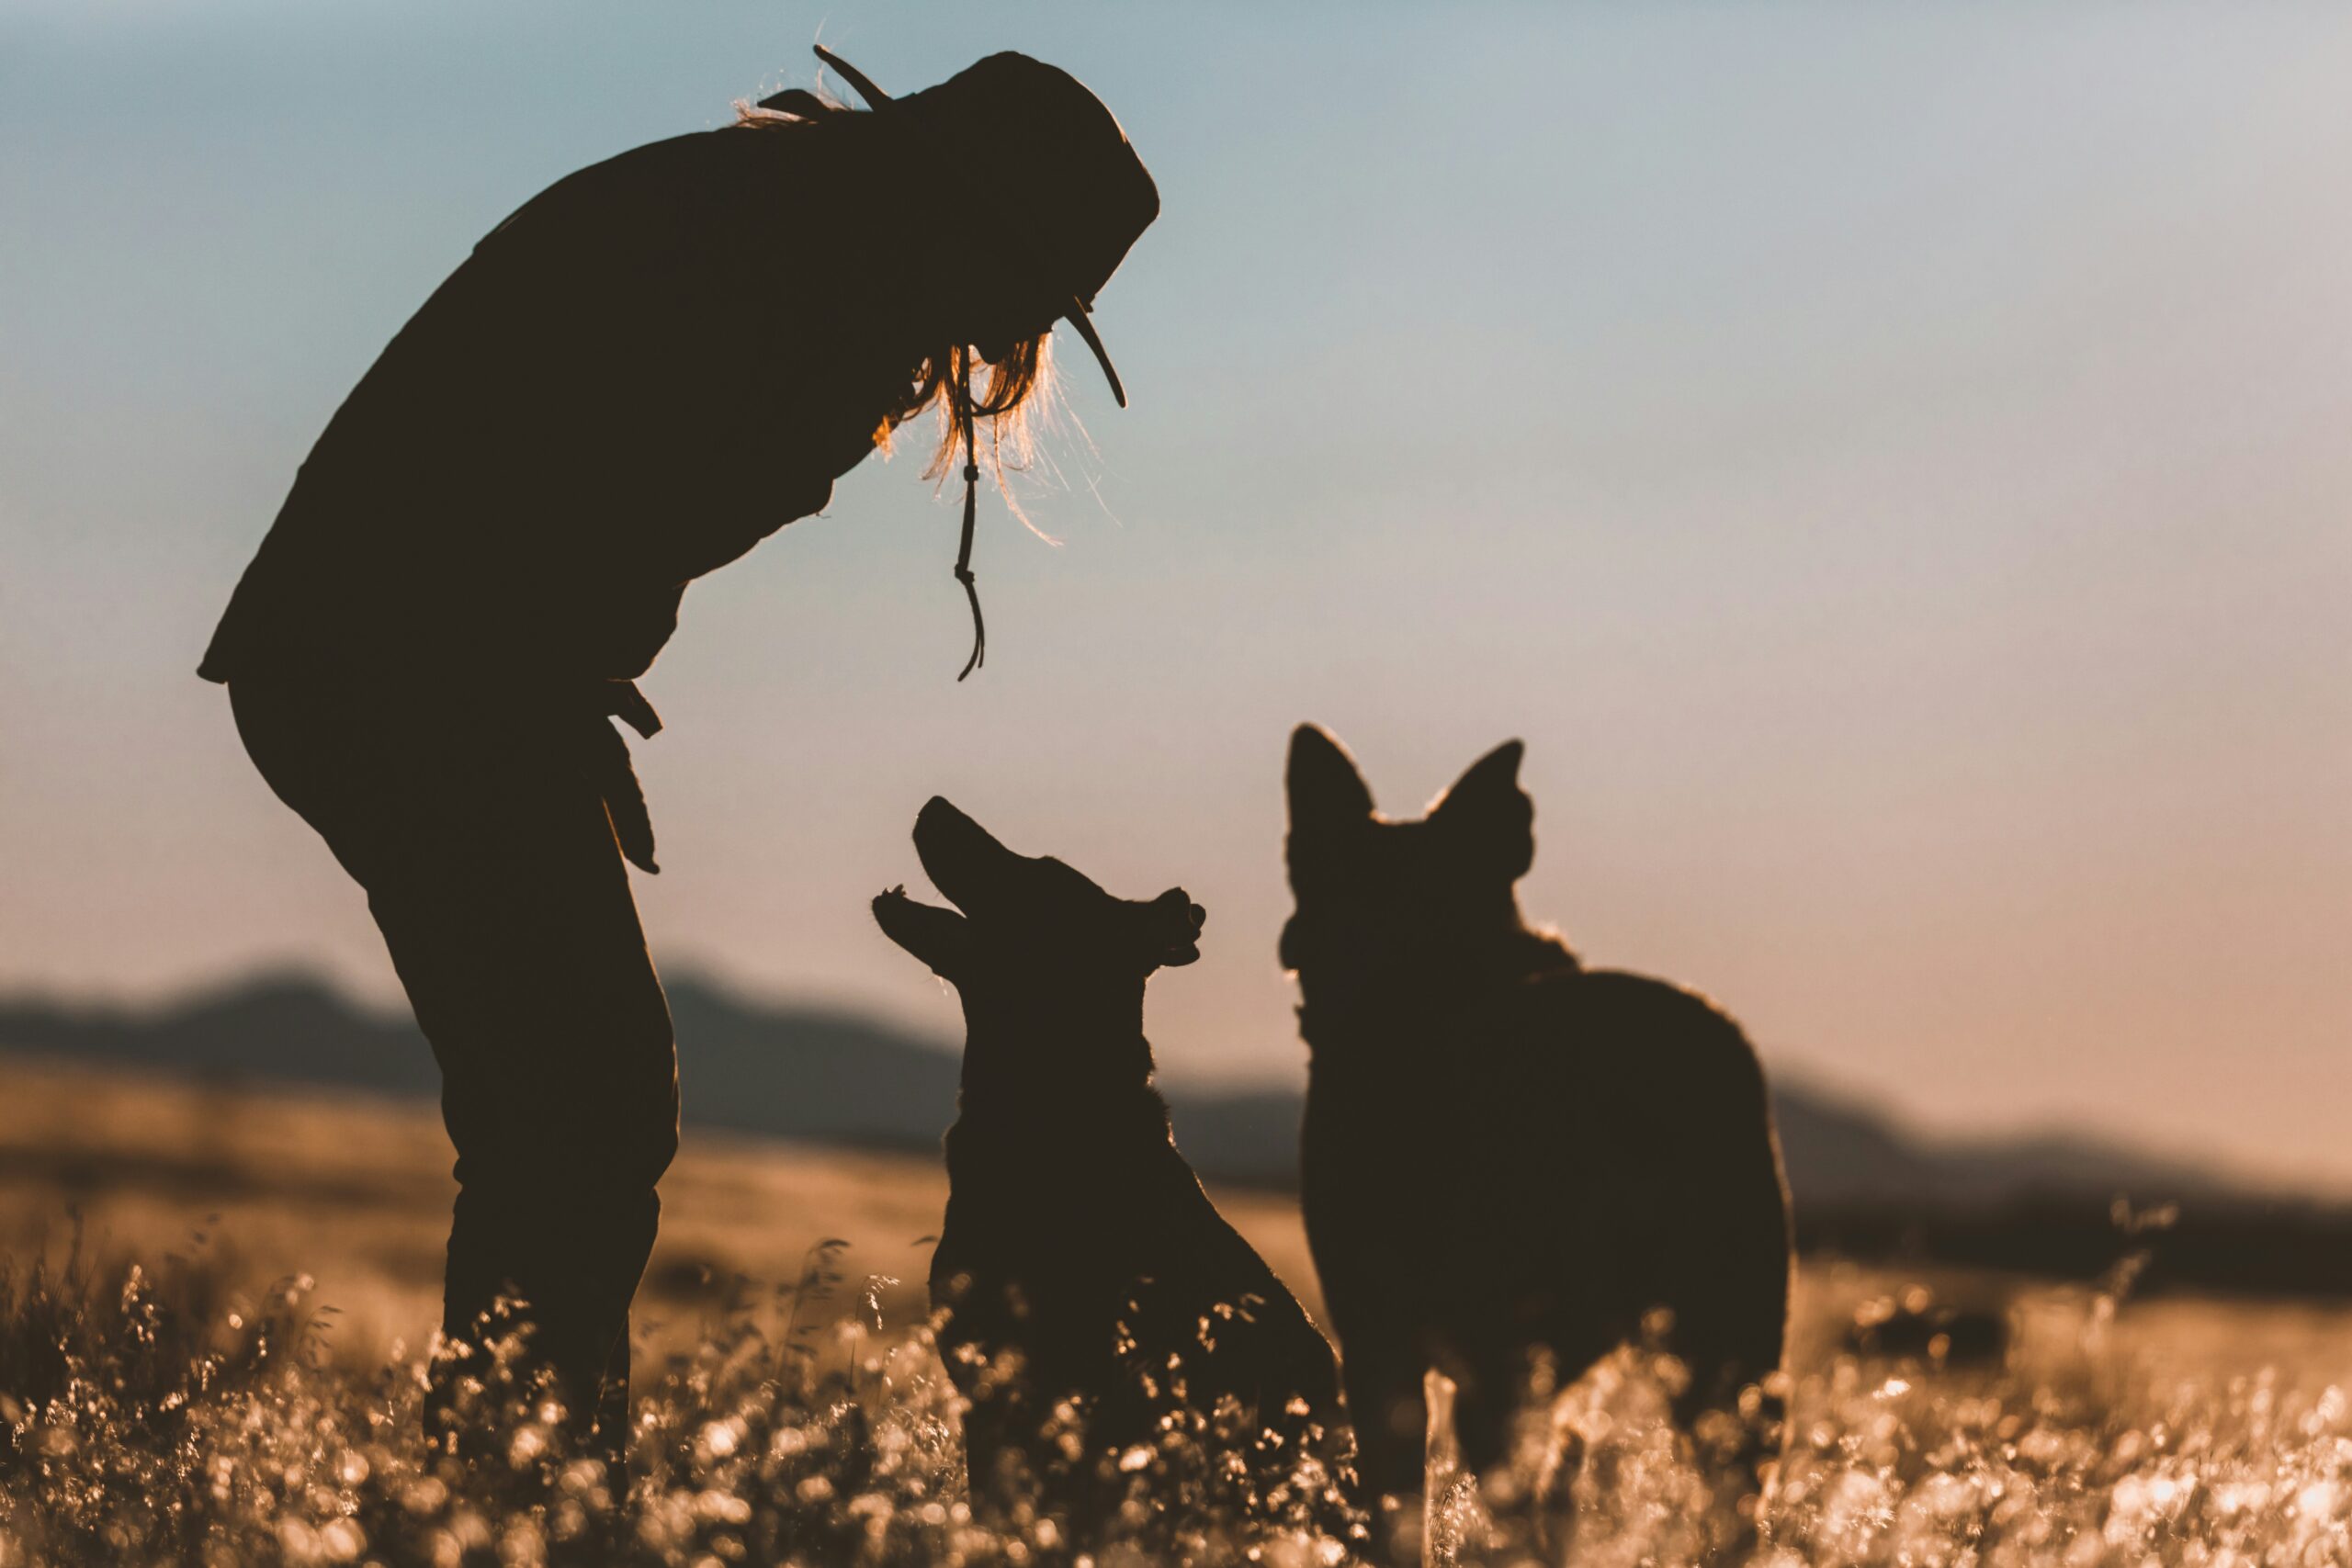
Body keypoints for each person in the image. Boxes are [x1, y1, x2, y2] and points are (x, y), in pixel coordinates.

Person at [198, 47, 1159, 1457]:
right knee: (583, 1101)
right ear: (958, 219)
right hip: (407, 659)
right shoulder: (768, 265)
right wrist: (543, 690)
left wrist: (564, 694)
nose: (1014, 331)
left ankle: (526, 1494)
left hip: (420, 660)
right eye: (1025, 285)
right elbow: (541, 482)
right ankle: (523, 1507)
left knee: (575, 1100)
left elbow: (580, 491)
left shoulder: (786, 247)